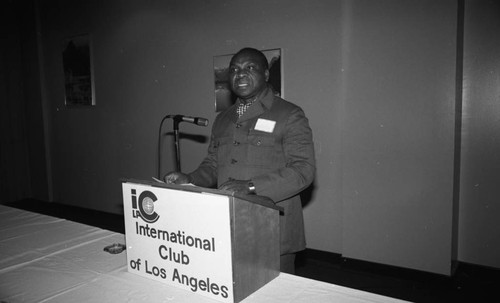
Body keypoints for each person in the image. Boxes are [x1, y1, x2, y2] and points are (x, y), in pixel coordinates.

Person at [164, 47, 315, 274]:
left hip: (272, 226)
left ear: (266, 74)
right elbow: (213, 164)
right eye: (234, 69)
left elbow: (303, 170)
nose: (240, 74)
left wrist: (250, 187)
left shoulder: (289, 114)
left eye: (249, 68)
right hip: (231, 223)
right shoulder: (223, 119)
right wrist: (190, 178)